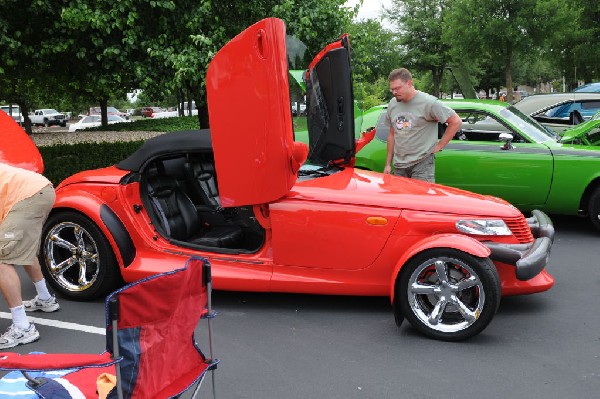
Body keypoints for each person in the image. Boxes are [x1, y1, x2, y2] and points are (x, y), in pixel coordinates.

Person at [0, 162, 60, 349]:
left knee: (2, 258)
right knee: (22, 249)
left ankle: (23, 328)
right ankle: (45, 299)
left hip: (27, 197)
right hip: (41, 190)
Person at [383, 68, 462, 182]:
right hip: (399, 165)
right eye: (392, 89)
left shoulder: (429, 102)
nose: (394, 92)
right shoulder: (393, 104)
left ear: (410, 83)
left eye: (397, 88)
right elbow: (392, 135)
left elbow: (456, 121)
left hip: (422, 165)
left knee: (420, 199)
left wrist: (439, 146)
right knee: (401, 200)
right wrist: (388, 164)